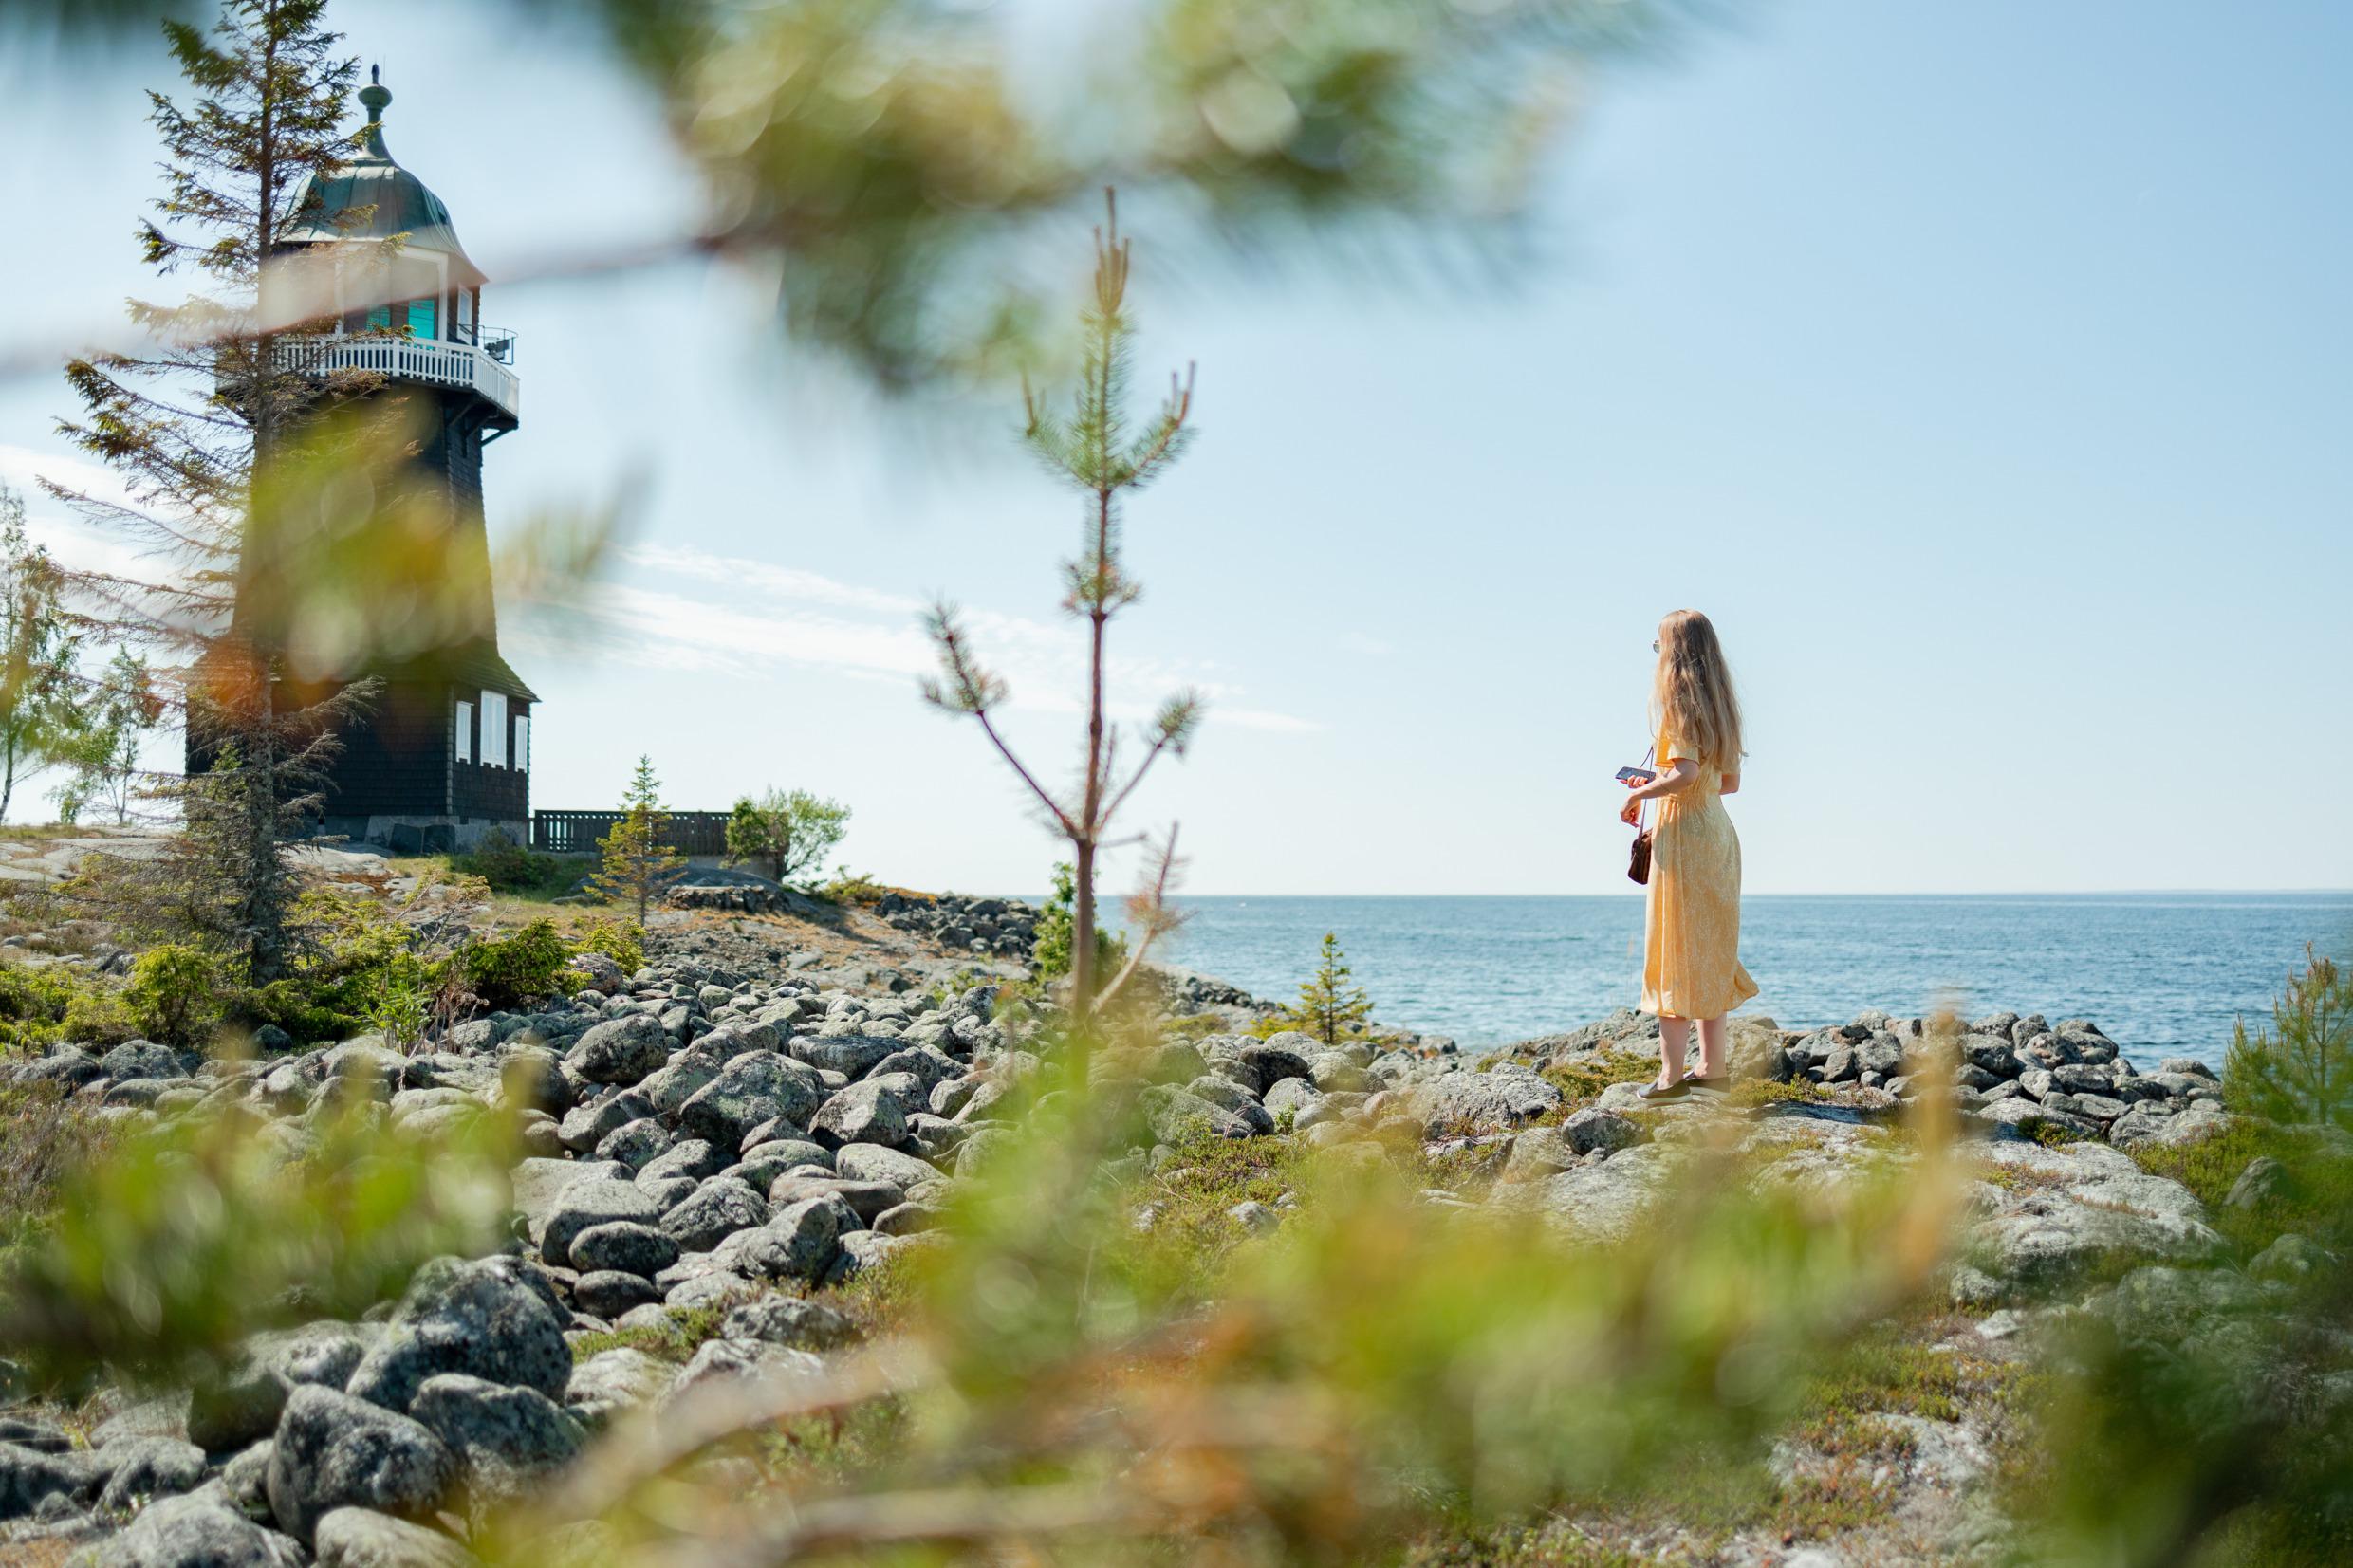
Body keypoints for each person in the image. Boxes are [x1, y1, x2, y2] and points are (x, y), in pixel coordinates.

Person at [1619, 609, 1757, 1100]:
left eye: (1659, 647)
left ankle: (1670, 1076)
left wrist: (1640, 795)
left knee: (1673, 950)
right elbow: (1728, 784)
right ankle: (1713, 1068)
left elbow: (1685, 775)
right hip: (1717, 836)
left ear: (1673, 654)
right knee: (1708, 949)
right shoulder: (1722, 709)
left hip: (1684, 839)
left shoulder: (1678, 708)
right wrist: (1662, 782)